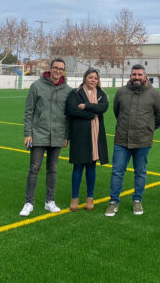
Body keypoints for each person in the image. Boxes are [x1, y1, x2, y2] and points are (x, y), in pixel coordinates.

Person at [105, 64, 160, 217]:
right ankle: (113, 202)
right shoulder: (121, 93)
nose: (137, 77)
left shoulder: (154, 94)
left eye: (140, 74)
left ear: (145, 76)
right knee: (117, 172)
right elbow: (117, 112)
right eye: (134, 74)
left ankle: (137, 199)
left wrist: (148, 128)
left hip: (143, 140)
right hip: (121, 140)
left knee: (140, 172)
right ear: (130, 76)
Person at [19, 59, 71, 216]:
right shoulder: (37, 86)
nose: (58, 71)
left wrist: (66, 136)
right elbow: (29, 111)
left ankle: (50, 201)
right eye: (55, 68)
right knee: (34, 168)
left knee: (53, 169)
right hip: (38, 134)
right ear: (50, 68)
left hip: (57, 135)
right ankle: (29, 203)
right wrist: (28, 133)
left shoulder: (68, 90)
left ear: (64, 71)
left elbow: (68, 116)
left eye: (61, 69)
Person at [65, 68, 109, 212]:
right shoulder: (75, 93)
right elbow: (71, 110)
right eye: (90, 77)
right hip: (79, 135)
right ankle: (75, 198)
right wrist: (90, 115)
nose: (93, 80)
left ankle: (90, 197)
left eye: (95, 78)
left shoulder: (102, 94)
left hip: (95, 136)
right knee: (78, 167)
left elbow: (103, 108)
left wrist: (87, 106)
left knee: (91, 167)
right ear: (85, 78)